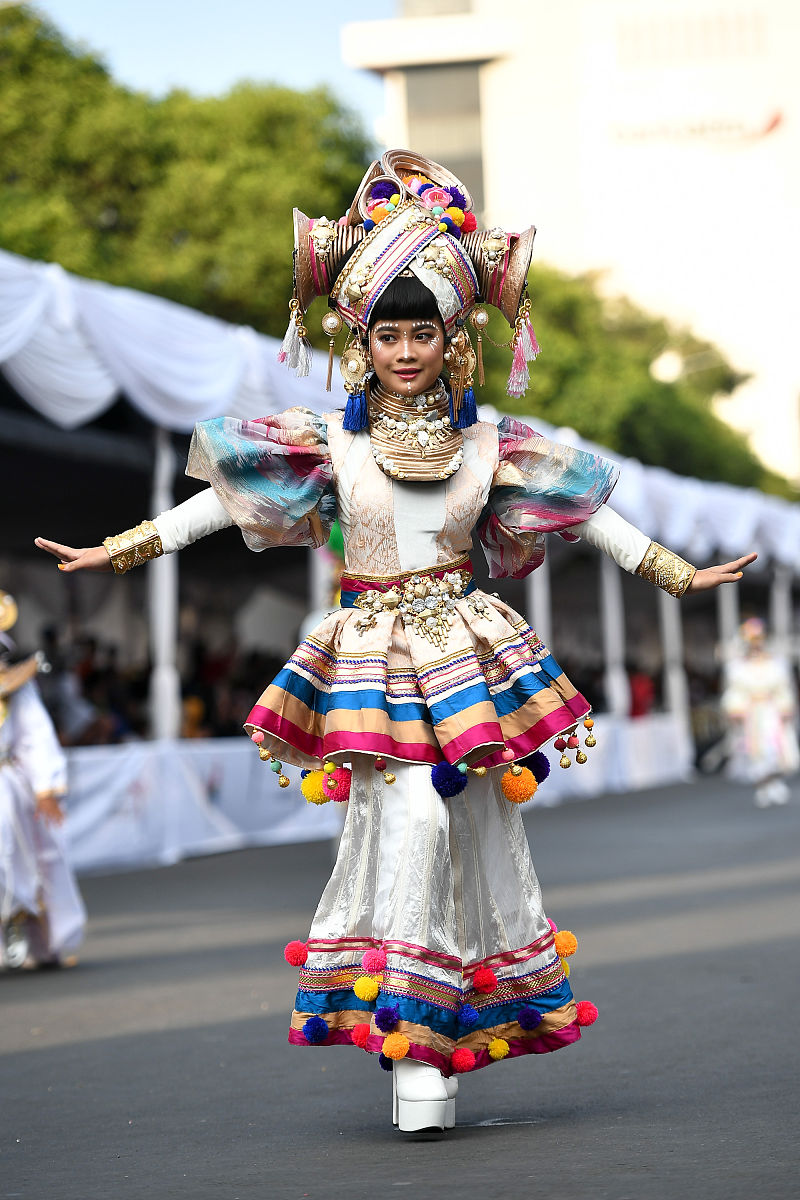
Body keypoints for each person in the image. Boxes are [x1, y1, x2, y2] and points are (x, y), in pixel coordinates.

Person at [35, 151, 754, 1131]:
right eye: (388, 333)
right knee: (407, 820)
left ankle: (437, 1041)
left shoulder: (492, 445)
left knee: (461, 830)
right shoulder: (326, 444)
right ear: (360, 340)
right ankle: (411, 1035)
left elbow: (583, 516)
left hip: (463, 646)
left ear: (451, 338)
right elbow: (223, 502)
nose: (405, 349)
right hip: (369, 653)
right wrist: (121, 548)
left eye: (422, 331)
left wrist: (674, 570)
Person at [0, 590, 86, 968]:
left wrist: (45, 787)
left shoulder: (16, 691)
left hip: (7, 786)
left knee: (30, 861)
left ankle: (42, 944)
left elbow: (35, 736)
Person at [720, 616, 798, 806]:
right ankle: (762, 786)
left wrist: (785, 706)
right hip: (751, 714)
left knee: (775, 749)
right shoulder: (738, 667)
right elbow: (735, 691)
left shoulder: (775, 664)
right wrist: (735, 709)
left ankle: (773, 782)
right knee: (754, 751)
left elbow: (783, 688)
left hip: (771, 712)